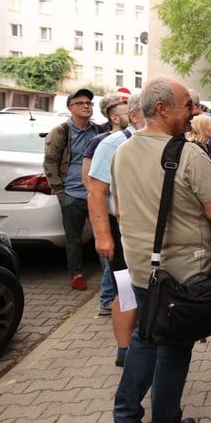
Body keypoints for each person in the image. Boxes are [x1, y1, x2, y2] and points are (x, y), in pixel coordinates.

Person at [111, 75, 211, 423]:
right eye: (186, 105)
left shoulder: (122, 152)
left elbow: (120, 209)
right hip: (182, 276)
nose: (193, 112)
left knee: (145, 338)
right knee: (175, 350)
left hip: (142, 270)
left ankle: (126, 417)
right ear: (162, 109)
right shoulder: (190, 154)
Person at [88, 94, 145, 367]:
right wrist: (103, 236)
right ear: (135, 116)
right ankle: (124, 350)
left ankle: (140, 342)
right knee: (126, 290)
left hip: (144, 231)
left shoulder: (151, 142)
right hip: (121, 231)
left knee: (141, 290)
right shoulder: (113, 143)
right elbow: (96, 192)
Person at [43, 88, 105, 291]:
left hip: (95, 192)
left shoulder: (97, 131)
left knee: (102, 234)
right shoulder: (61, 131)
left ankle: (109, 275)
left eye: (89, 103)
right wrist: (61, 193)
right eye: (81, 103)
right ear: (71, 108)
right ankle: (76, 273)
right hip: (71, 194)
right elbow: (50, 163)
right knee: (73, 238)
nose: (87, 106)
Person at [82, 95, 130, 316]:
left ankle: (114, 300)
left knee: (121, 273)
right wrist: (102, 234)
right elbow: (91, 184)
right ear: (115, 118)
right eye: (127, 112)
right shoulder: (103, 142)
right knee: (117, 271)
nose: (132, 115)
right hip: (114, 220)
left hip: (129, 223)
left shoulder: (135, 141)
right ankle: (109, 301)